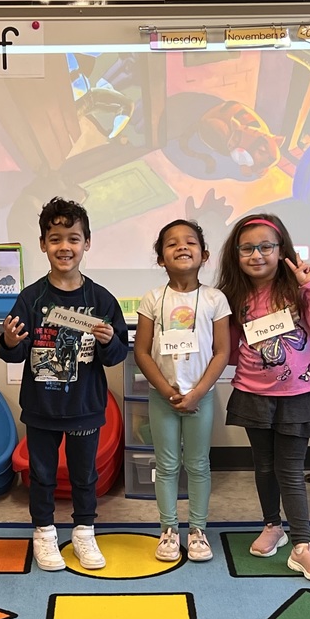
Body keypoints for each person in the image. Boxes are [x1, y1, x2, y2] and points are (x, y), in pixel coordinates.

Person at [0, 197, 128, 572]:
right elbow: (13, 352)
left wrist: (107, 341)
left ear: (87, 243)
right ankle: (44, 532)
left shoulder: (100, 299)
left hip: (86, 405)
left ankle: (85, 532)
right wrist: (8, 340)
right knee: (41, 475)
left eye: (73, 238)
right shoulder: (31, 297)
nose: (64, 247)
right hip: (41, 407)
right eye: (55, 239)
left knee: (85, 474)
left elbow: (118, 355)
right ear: (42, 244)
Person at [217, 213, 310, 582]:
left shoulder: (300, 287)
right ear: (235, 254)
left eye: (266, 246)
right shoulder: (234, 295)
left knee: (290, 471)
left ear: (281, 248)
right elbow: (233, 348)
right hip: (252, 393)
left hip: (296, 394)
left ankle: (303, 546)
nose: (257, 255)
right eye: (247, 248)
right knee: (264, 466)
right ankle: (273, 525)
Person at [133, 219, 231, 563]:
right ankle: (169, 529)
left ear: (204, 255)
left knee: (199, 464)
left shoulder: (215, 299)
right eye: (171, 243)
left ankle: (198, 529)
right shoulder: (152, 299)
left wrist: (197, 392)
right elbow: (141, 351)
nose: (182, 247)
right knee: (167, 465)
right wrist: (166, 389)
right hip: (163, 396)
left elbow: (222, 351)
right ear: (161, 258)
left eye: (190, 242)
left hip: (200, 397)